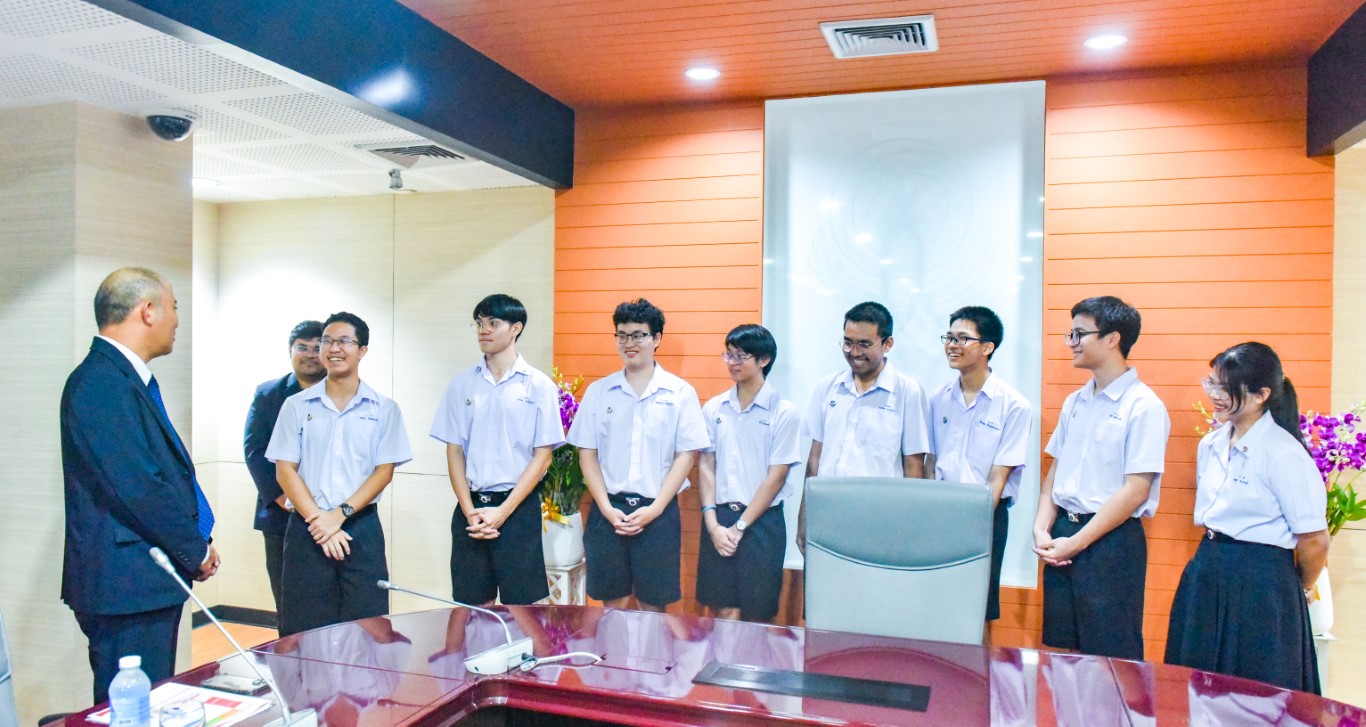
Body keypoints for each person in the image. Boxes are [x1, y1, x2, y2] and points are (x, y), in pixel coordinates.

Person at [60, 267, 219, 704]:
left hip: (142, 581)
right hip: (125, 585)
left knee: (150, 700)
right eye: (174, 308)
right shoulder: (100, 382)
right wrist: (195, 549)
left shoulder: (124, 378)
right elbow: (139, 488)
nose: (177, 320)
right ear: (147, 311)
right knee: (132, 708)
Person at [1165, 342, 1328, 693]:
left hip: (1262, 582)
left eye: (1226, 388)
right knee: (1198, 683)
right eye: (1212, 383)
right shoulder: (1210, 445)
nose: (1215, 395)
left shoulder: (1284, 454)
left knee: (1257, 689)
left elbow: (1315, 539)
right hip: (1208, 568)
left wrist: (1299, 586)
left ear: (1260, 395)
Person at [1033, 295, 1170, 660]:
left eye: (1080, 334)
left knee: (1112, 656)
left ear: (1112, 339)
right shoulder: (1075, 401)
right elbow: (1056, 471)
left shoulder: (1144, 406)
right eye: (1071, 334)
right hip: (1063, 535)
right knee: (1065, 654)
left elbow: (1136, 490)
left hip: (1110, 543)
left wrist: (1076, 544)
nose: (1072, 343)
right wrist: (1041, 528)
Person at [266, 312, 411, 636]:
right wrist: (320, 521)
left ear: (362, 350)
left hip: (361, 526)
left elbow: (383, 472)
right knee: (303, 629)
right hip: (307, 527)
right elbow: (285, 470)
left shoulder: (384, 409)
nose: (334, 348)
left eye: (344, 341)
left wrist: (340, 515)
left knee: (368, 626)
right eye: (327, 341)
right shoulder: (296, 405)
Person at [566, 299, 709, 612]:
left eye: (638, 335)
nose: (629, 343)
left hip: (658, 513)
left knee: (653, 606)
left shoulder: (679, 392)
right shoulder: (599, 391)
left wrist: (655, 509)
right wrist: (606, 508)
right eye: (622, 335)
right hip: (608, 512)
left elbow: (686, 457)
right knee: (612, 604)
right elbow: (587, 454)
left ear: (656, 339)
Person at [430, 294, 565, 606]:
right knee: (471, 606)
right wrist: (469, 511)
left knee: (523, 609)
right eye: (479, 323)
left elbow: (543, 456)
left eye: (493, 323)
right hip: (472, 509)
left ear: (516, 328)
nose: (484, 330)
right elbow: (454, 451)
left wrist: (502, 512)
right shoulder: (462, 384)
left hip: (517, 509)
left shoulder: (538, 385)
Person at [926, 306, 1031, 638]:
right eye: (949, 337)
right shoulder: (937, 399)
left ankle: (977, 671)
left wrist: (972, 523)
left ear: (988, 347)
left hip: (985, 517)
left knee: (977, 608)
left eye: (962, 339)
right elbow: (930, 464)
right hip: (938, 513)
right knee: (934, 603)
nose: (952, 345)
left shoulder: (1013, 405)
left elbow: (999, 477)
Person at [797, 301, 931, 551]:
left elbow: (914, 465)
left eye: (864, 344)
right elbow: (815, 457)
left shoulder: (907, 391)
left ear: (887, 344)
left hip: (881, 520)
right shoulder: (828, 387)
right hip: (827, 513)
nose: (854, 352)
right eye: (848, 342)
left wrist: (910, 525)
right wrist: (804, 515)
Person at [696, 324, 801, 623]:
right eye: (728, 355)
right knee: (723, 609)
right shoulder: (715, 408)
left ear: (764, 360)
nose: (732, 362)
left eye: (741, 356)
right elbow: (706, 465)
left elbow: (776, 477)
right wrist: (713, 524)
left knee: (758, 615)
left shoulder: (784, 411)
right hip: (720, 518)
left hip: (762, 523)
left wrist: (740, 527)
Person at [243, 320, 325, 617]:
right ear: (290, 351)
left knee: (327, 599)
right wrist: (285, 498)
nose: (310, 354)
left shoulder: (342, 392)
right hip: (282, 513)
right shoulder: (269, 393)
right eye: (302, 347)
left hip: (330, 513)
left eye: (317, 347)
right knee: (288, 600)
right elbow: (255, 450)